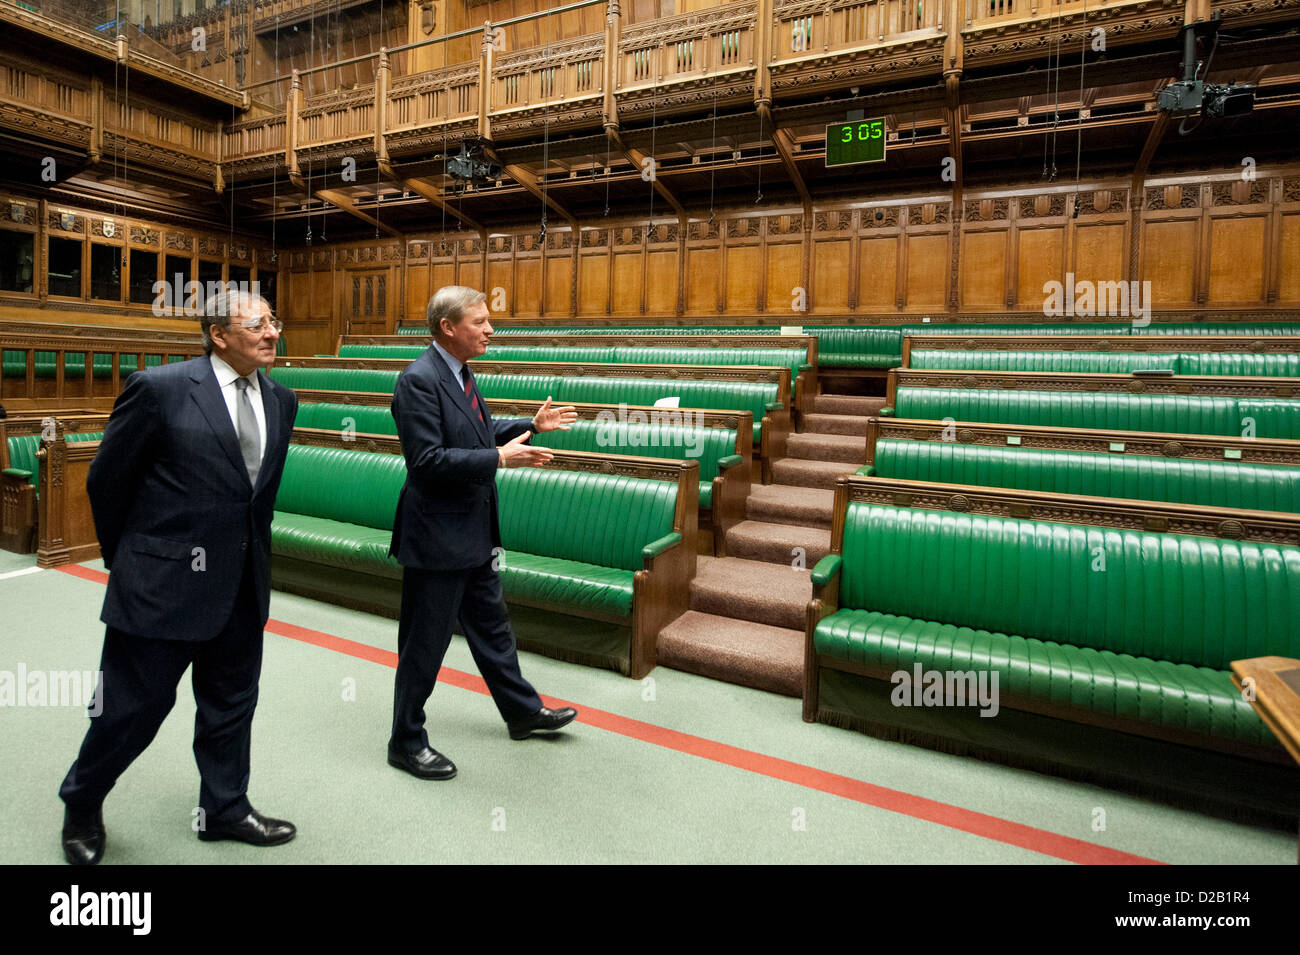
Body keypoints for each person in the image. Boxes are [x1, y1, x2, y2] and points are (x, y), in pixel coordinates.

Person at [58, 290, 298, 864]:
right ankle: (83, 802)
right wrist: (133, 564)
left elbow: (254, 502)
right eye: (258, 324)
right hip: (161, 586)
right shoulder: (159, 388)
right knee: (130, 709)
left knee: (231, 704)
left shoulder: (282, 400)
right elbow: (107, 482)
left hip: (241, 585)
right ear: (218, 334)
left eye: (274, 322)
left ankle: (225, 808)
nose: (272, 333)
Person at [387, 286, 580, 780]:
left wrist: (528, 426)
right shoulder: (418, 381)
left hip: (473, 530)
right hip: (436, 536)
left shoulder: (461, 373)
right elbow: (427, 462)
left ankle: (521, 712)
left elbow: (477, 433)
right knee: (424, 644)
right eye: (481, 321)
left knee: (493, 629)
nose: (491, 329)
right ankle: (406, 741)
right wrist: (500, 457)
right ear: (448, 327)